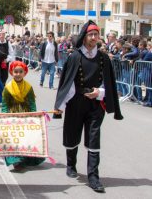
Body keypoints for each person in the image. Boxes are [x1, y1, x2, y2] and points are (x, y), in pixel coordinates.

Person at [54, 20, 123, 193]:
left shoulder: (103, 58)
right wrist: (60, 105)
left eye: (96, 35)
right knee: (72, 133)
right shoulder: (75, 56)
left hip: (95, 104)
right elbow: (67, 82)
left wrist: (99, 92)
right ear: (84, 38)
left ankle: (93, 176)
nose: (93, 38)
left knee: (94, 138)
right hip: (76, 101)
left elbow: (109, 82)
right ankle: (71, 165)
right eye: (90, 35)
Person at [2, 61, 45, 171]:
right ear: (12, 72)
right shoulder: (8, 88)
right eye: (15, 72)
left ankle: (25, 159)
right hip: (13, 117)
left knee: (25, 139)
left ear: (24, 73)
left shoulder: (28, 87)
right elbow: (5, 104)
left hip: (25, 116)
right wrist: (4, 117)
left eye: (20, 72)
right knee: (14, 139)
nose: (18, 74)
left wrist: (33, 116)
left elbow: (32, 103)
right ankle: (16, 161)